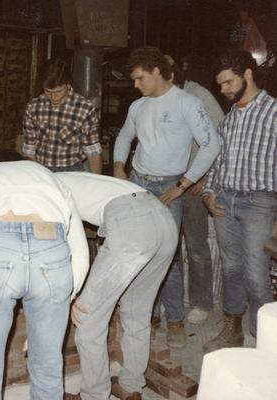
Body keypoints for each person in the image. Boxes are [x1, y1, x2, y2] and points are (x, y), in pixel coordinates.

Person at [0, 160, 90, 400]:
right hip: (50, 246)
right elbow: (81, 254)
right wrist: (65, 295)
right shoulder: (52, 179)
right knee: (48, 364)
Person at [113, 46, 220, 348]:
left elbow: (211, 145)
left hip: (169, 189)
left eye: (140, 78)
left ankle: (175, 320)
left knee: (167, 255)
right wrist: (119, 165)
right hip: (138, 182)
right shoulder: (138, 106)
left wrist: (184, 185)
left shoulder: (187, 103)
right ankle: (148, 313)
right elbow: (124, 135)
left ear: (157, 72)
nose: (136, 85)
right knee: (137, 251)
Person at [57, 172, 178, 400]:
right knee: (137, 313)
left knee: (87, 320)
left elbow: (72, 246)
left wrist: (74, 294)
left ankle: (93, 396)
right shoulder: (67, 177)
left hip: (132, 225)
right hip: (163, 219)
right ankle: (131, 387)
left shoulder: (48, 188)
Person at [202, 49, 276, 352]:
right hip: (225, 202)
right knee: (230, 269)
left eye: (228, 82)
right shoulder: (231, 117)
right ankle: (232, 329)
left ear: (247, 73)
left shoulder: (273, 112)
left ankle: (265, 342)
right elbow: (218, 161)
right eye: (220, 84)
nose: (223, 90)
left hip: (259, 204)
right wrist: (208, 193)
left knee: (257, 276)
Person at [167, 55, 225, 324]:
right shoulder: (161, 98)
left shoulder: (199, 96)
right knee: (168, 246)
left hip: (192, 183)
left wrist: (204, 177)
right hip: (169, 180)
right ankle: (172, 301)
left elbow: (220, 141)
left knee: (196, 245)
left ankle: (202, 302)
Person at [22, 58, 102, 173]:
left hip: (73, 170)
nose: (53, 97)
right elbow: (29, 150)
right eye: (48, 91)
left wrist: (96, 183)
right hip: (41, 168)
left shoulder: (85, 109)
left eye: (58, 91)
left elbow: (93, 153)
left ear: (68, 83)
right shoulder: (33, 108)